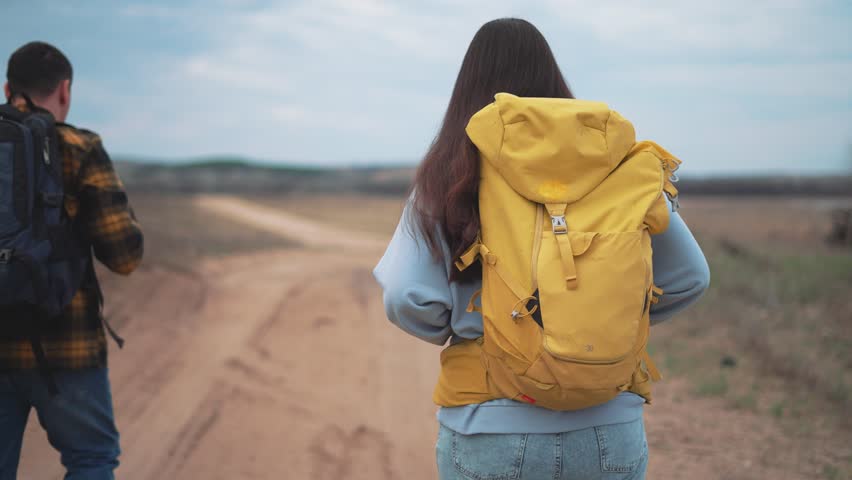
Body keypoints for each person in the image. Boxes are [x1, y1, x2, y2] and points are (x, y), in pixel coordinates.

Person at [373, 18, 710, 480]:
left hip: (490, 427)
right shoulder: (617, 169)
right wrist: (601, 316)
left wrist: (466, 327)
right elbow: (690, 277)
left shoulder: (450, 173)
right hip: (608, 428)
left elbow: (403, 295)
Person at [0, 42, 143, 480]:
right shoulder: (80, 147)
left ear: (7, 88)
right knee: (91, 460)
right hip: (67, 343)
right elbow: (123, 256)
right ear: (65, 91)